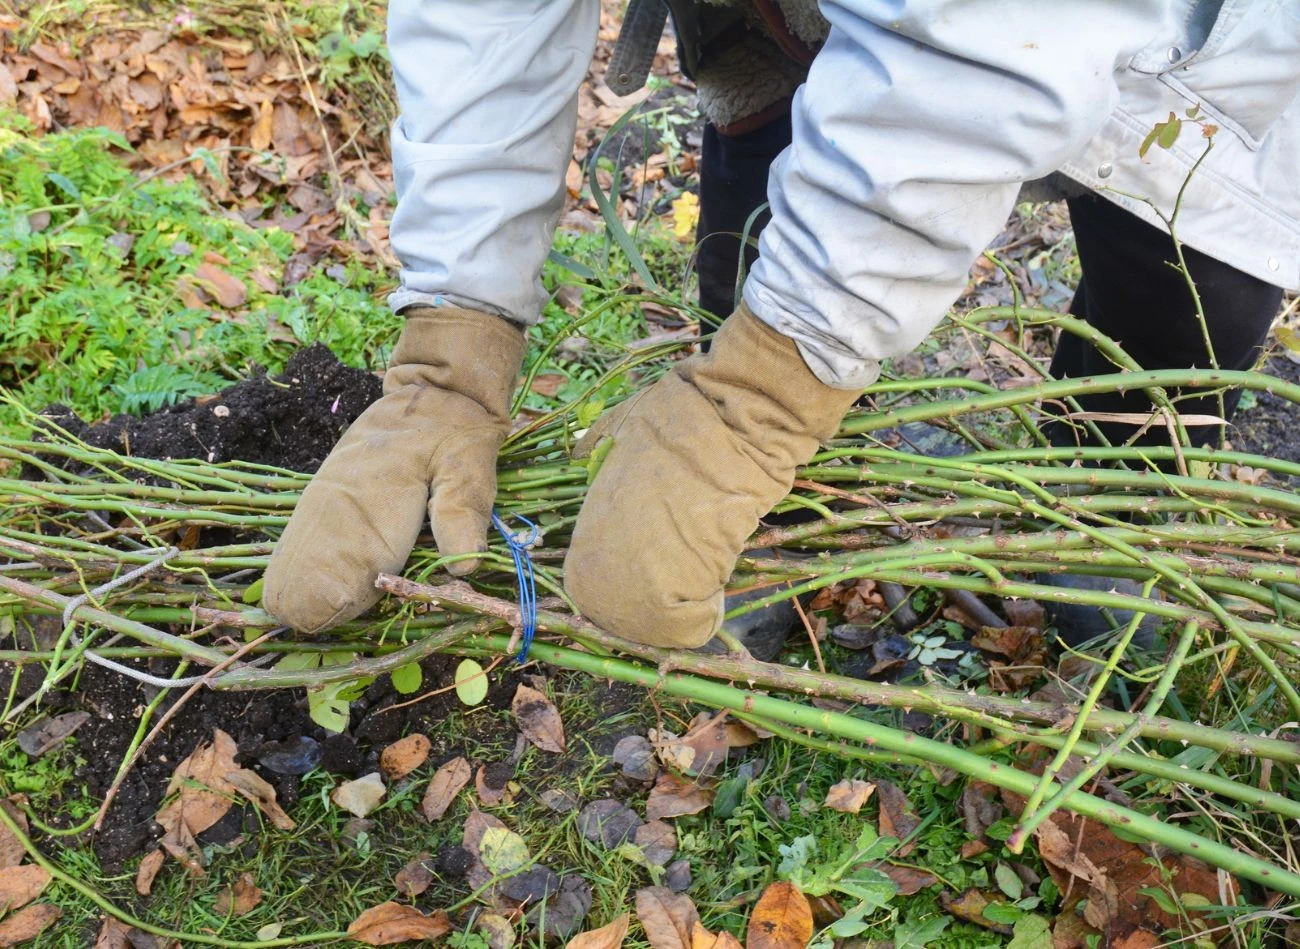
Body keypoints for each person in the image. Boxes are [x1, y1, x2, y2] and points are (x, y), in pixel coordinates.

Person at [262, 1, 1300, 652]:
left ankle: (1104, 518)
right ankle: (785, 535)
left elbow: (993, 35)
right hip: (790, 18)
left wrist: (770, 385)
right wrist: (455, 339)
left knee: (1175, 284)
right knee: (761, 188)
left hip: (1217, 68)